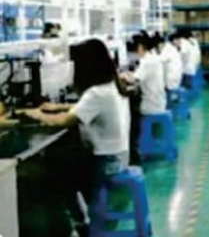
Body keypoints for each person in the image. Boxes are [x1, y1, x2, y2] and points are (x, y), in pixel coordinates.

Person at [24, 38, 131, 237]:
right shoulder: (111, 86)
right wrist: (58, 107)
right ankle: (79, 221)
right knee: (64, 162)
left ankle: (80, 224)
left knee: (56, 175)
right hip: (118, 157)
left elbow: (64, 121)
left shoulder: (96, 93)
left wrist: (35, 114)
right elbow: (83, 108)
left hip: (106, 162)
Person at [121, 34, 165, 115]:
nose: (134, 53)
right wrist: (129, 74)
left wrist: (121, 75)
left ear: (140, 47)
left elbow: (133, 80)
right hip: (158, 100)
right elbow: (139, 75)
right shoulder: (152, 57)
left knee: (130, 106)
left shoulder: (146, 62)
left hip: (151, 105)